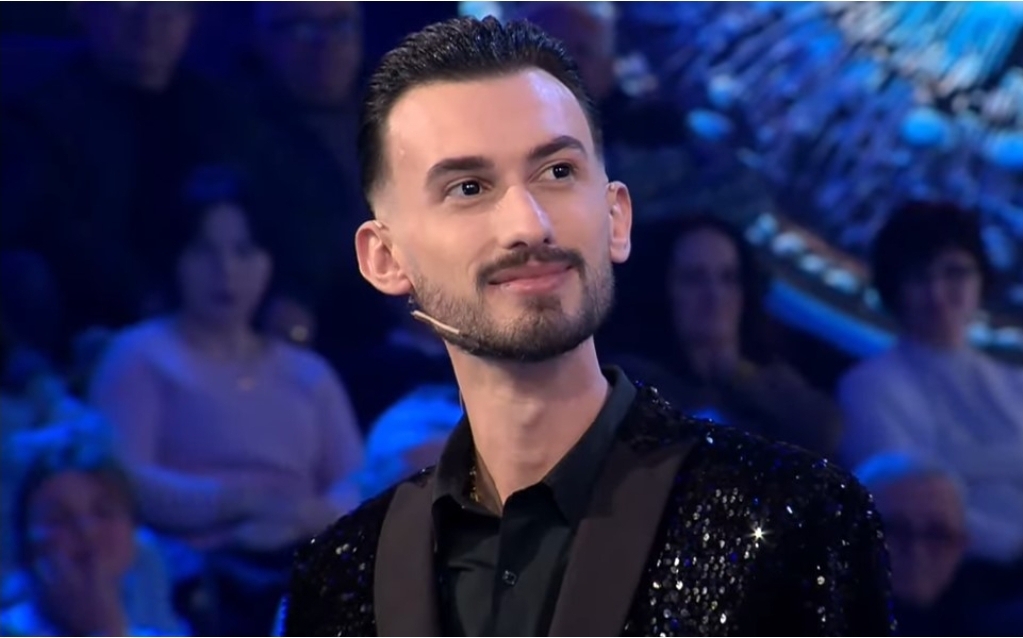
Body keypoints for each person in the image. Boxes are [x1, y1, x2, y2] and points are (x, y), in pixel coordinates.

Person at [279, 16, 894, 636]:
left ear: (616, 218)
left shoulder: (796, 521)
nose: (529, 225)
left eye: (557, 173)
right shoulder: (341, 576)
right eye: (469, 187)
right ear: (385, 259)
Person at [89, 166, 364, 635]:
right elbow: (122, 478)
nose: (226, 271)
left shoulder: (308, 373)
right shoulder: (140, 357)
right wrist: (242, 503)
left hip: (307, 565)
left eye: (244, 250)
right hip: (190, 580)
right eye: (204, 251)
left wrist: (303, 517)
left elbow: (357, 481)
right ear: (176, 258)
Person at [609, 215, 843, 457]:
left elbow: (824, 431)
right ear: (661, 290)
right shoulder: (628, 384)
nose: (715, 296)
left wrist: (741, 374)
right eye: (694, 279)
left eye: (728, 278)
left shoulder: (772, 380)